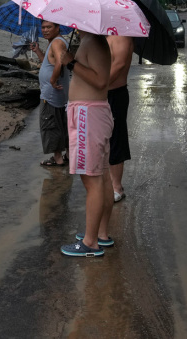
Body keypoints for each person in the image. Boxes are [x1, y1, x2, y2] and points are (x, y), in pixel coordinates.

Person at [59, 31, 114, 257]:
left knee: (92, 179)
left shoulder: (95, 42)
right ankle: (99, 234)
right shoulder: (92, 41)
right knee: (99, 177)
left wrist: (71, 62)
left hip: (88, 115)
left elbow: (101, 80)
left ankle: (91, 242)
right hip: (89, 113)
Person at [29, 21, 70, 167]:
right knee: (61, 124)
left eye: (49, 27)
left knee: (50, 125)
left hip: (51, 95)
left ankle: (58, 159)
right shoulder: (55, 42)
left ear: (58, 27)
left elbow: (60, 62)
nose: (45, 30)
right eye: (43, 27)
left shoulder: (57, 43)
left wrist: (52, 80)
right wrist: (38, 51)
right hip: (58, 95)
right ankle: (67, 156)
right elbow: (50, 62)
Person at [106, 35, 134, 203]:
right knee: (106, 139)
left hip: (115, 93)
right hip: (105, 93)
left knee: (115, 138)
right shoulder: (107, 36)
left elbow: (119, 64)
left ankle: (117, 187)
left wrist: (99, 85)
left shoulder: (122, 36)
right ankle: (109, 182)